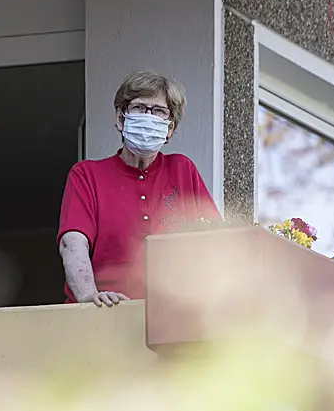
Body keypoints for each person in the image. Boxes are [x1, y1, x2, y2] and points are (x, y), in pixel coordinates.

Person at [58, 71, 221, 307]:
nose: (148, 116)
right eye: (139, 108)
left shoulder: (182, 169)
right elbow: (73, 242)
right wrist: (88, 296)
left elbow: (216, 241)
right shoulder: (87, 174)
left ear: (170, 128)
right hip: (105, 313)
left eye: (158, 111)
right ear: (121, 118)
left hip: (173, 317)